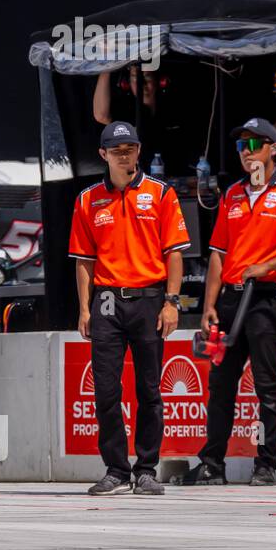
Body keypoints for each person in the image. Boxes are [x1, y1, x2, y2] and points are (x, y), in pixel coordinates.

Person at [176, 117, 276, 487]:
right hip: (232, 300)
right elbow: (218, 253)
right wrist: (208, 305)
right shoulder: (232, 194)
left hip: (269, 299)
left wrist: (267, 265)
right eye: (241, 146)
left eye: (254, 145)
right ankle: (211, 465)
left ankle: (266, 465)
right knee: (220, 384)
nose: (247, 153)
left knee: (267, 385)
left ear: (273, 148)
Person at [69, 122, 189, 496]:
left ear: (138, 151)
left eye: (130, 148)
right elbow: (83, 260)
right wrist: (84, 309)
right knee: (105, 390)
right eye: (117, 150)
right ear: (103, 155)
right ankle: (117, 470)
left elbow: (175, 254)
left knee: (150, 389)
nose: (125, 155)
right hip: (106, 301)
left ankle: (147, 469)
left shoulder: (161, 194)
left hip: (151, 299)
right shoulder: (88, 199)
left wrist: (171, 302)